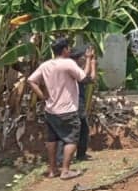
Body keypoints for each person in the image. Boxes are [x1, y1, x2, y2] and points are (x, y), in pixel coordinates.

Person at [27, 38, 95, 180]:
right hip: (68, 110)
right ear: (64, 50)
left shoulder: (45, 65)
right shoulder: (68, 63)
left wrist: (42, 96)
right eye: (68, 48)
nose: (69, 50)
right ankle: (65, 171)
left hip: (50, 110)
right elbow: (84, 79)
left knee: (52, 139)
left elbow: (31, 80)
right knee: (71, 140)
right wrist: (89, 60)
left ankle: (52, 170)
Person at [56, 46, 96, 164]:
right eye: (83, 57)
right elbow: (84, 74)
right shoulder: (71, 69)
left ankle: (81, 154)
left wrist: (93, 63)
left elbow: (91, 79)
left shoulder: (76, 68)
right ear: (77, 59)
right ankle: (60, 159)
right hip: (71, 104)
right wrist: (89, 60)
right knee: (69, 132)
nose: (84, 59)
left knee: (83, 129)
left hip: (78, 104)